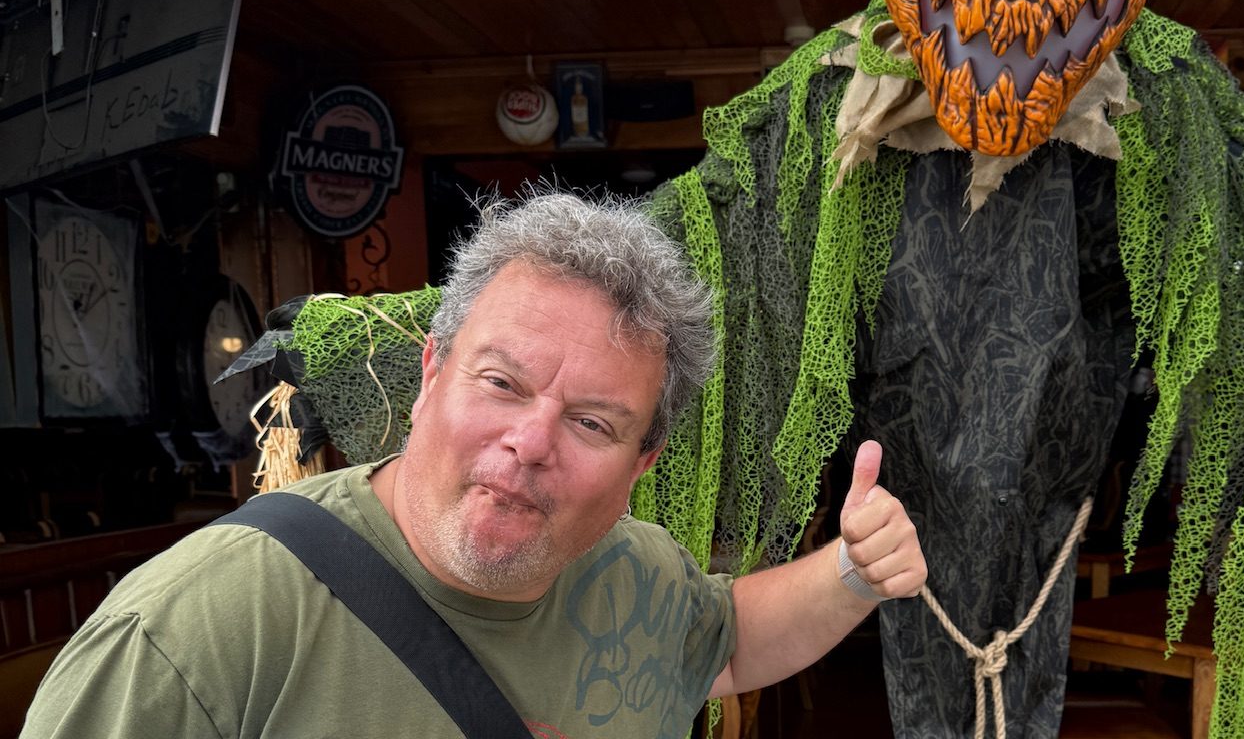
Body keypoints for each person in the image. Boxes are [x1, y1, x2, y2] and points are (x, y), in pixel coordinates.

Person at [21, 191, 928, 738]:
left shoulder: (640, 573)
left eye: (592, 423)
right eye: (501, 382)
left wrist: (853, 572)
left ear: (642, 463)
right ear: (431, 375)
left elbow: (727, 643)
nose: (529, 442)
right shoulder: (197, 628)